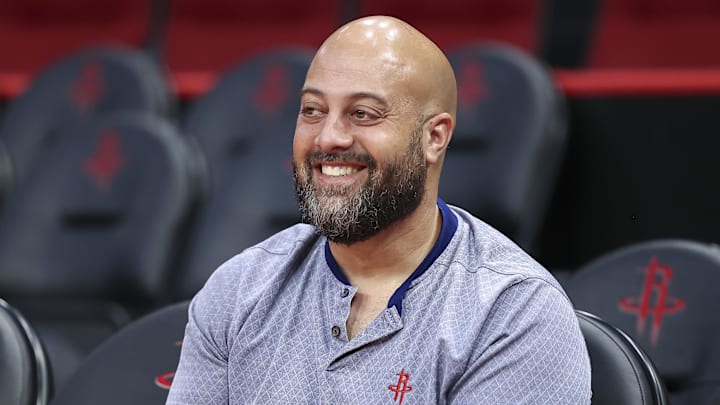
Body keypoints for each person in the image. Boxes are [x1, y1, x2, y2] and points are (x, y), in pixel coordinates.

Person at [167, 15, 592, 404]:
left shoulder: (513, 313)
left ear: (434, 137)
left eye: (363, 114)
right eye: (312, 110)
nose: (328, 137)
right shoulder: (239, 289)